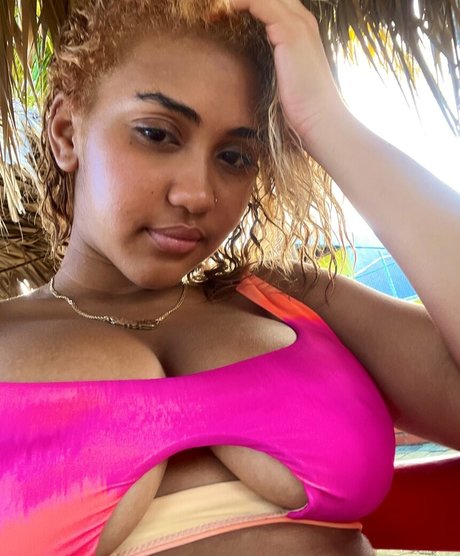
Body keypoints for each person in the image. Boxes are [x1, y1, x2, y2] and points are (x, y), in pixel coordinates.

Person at [0, 0, 459, 554]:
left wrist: (327, 123)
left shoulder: (289, 299)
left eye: (236, 157)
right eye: (157, 134)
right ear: (67, 132)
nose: (198, 194)